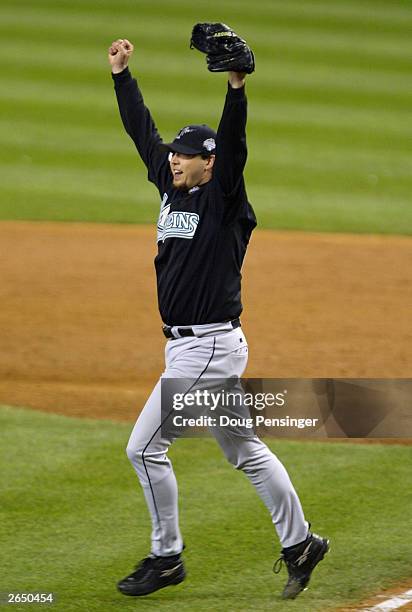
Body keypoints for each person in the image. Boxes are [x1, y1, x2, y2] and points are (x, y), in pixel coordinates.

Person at [108, 37, 329, 601]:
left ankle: (167, 557)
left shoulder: (224, 196)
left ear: (210, 164)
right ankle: (301, 543)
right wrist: (122, 76)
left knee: (144, 448)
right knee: (245, 450)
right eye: (175, 153)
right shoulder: (172, 184)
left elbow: (235, 144)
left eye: (186, 154)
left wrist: (236, 87)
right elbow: (141, 133)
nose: (175, 159)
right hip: (197, 348)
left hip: (206, 347)